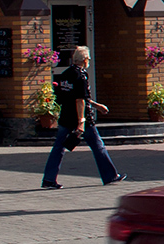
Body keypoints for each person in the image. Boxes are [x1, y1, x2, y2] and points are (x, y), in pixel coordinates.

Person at [42, 46, 125, 189]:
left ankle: (49, 179)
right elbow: (80, 100)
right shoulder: (81, 75)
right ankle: (110, 176)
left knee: (58, 148)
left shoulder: (65, 74)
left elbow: (66, 97)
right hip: (81, 118)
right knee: (98, 146)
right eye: (88, 59)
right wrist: (81, 121)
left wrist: (96, 105)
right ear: (85, 60)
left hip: (66, 117)